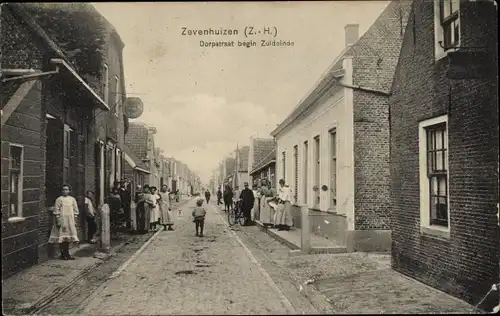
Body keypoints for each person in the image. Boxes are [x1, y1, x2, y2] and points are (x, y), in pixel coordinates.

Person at [48, 184, 79, 260]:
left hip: (70, 221)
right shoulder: (59, 199)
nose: (65, 191)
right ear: (61, 191)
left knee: (68, 238)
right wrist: (58, 220)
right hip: (62, 221)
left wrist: (75, 220)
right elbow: (56, 210)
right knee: (62, 238)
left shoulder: (72, 199)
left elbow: (75, 210)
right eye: (63, 190)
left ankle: (67, 254)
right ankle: (63, 254)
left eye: (66, 189)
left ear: (69, 191)